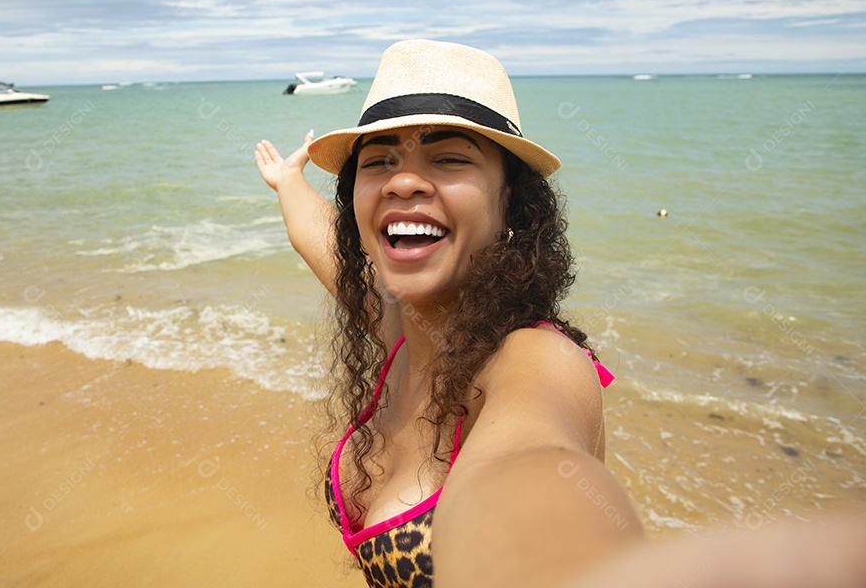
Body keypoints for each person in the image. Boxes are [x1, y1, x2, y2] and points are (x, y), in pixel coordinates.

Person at [256, 39, 866, 588]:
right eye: (379, 160)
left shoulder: (536, 360)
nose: (403, 181)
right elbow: (322, 243)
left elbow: (529, 475)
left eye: (449, 158)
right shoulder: (402, 331)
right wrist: (289, 184)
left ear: (510, 203)